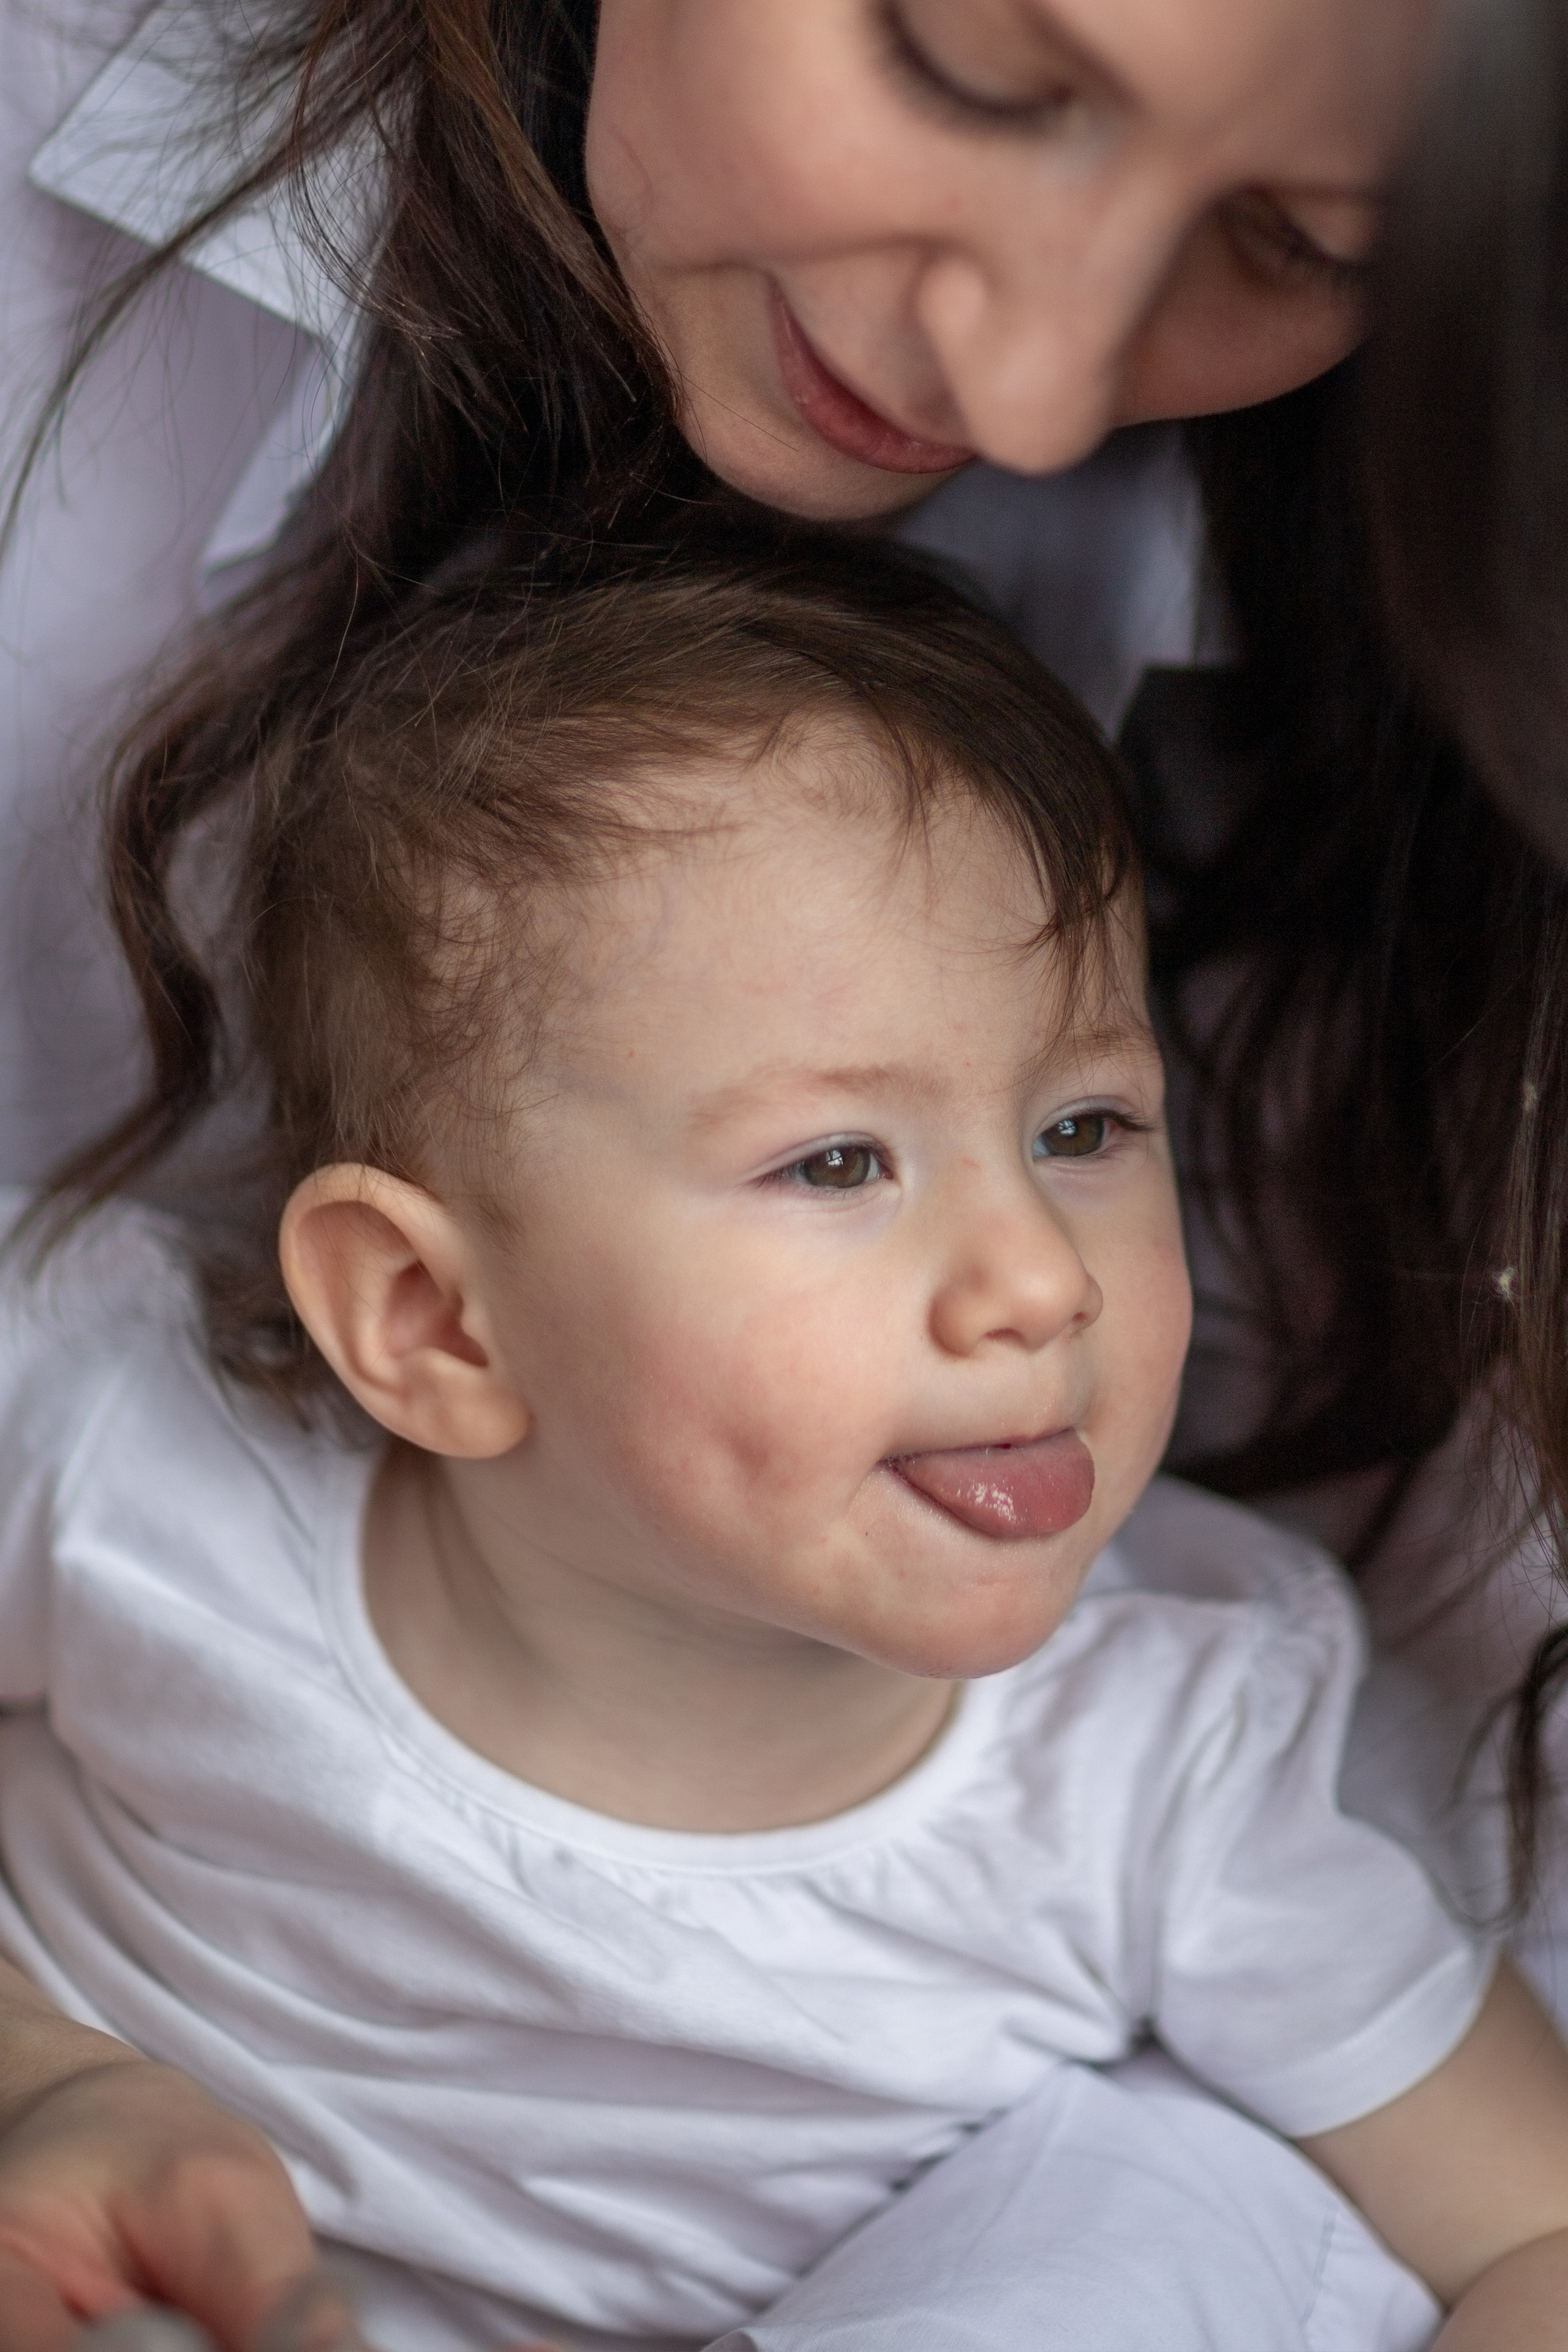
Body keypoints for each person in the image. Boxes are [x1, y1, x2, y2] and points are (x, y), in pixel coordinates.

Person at [1, 0, 1566, 2342]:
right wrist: (59, 2089)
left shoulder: (1172, 1764)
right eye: (840, 1159)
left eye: (1086, 1130)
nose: (1037, 1276)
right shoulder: (119, 1455)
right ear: (425, 1318)